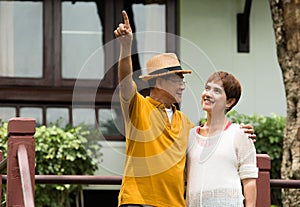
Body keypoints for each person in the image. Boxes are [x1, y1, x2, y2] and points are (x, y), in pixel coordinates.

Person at [114, 10, 256, 207]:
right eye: (177, 80)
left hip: (175, 204)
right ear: (159, 82)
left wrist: (238, 132)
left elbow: (210, 138)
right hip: (138, 201)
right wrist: (125, 46)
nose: (182, 86)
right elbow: (125, 80)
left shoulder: (186, 123)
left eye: (183, 80)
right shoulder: (137, 107)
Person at [186, 71, 258, 207]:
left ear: (229, 102)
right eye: (207, 88)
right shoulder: (191, 136)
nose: (208, 94)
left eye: (217, 91)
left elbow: (249, 181)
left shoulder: (239, 134)